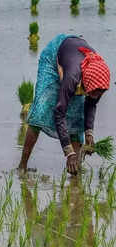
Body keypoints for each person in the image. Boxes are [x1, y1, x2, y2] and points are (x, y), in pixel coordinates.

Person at [19, 34, 110, 175]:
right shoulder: (73, 77)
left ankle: (74, 174)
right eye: (93, 93)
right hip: (53, 57)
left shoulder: (98, 81)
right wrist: (68, 152)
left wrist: (89, 133)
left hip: (74, 61)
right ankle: (22, 166)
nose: (96, 96)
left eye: (99, 93)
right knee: (40, 111)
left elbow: (91, 105)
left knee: (76, 118)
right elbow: (59, 113)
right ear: (86, 83)